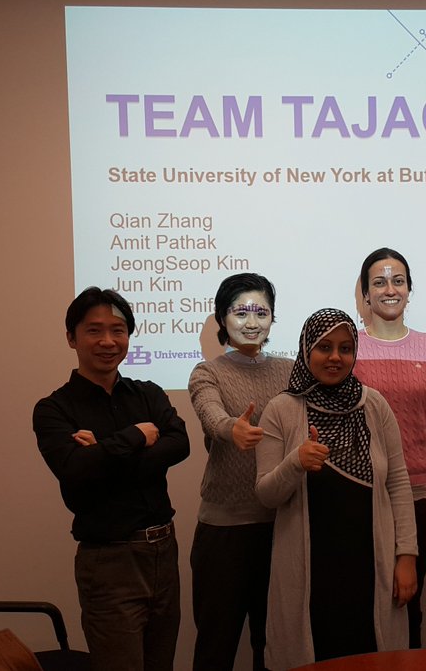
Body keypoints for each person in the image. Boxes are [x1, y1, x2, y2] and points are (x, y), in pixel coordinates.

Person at [32, 287, 191, 671]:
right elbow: (75, 471)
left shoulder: (148, 394)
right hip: (109, 560)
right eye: (94, 330)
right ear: (71, 338)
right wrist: (135, 436)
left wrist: (101, 451)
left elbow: (179, 445)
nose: (108, 341)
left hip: (163, 551)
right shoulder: (54, 409)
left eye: (118, 330)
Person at [255, 308, 418, 669]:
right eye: (324, 347)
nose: (335, 357)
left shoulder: (373, 404)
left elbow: (398, 483)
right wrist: (296, 462)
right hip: (312, 573)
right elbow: (266, 494)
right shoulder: (281, 409)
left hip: (369, 566)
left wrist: (406, 556)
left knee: (370, 656)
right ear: (306, 349)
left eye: (345, 348)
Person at [188, 273, 292, 671]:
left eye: (261, 312)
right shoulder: (207, 372)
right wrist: (231, 428)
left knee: (274, 647)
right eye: (240, 312)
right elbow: (209, 411)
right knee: (216, 647)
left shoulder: (291, 371)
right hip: (224, 532)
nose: (252, 322)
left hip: (281, 527)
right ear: (222, 317)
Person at [354, 248, 426, 648]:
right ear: (365, 294)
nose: (390, 289)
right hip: (363, 495)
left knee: (408, 600)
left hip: (419, 497)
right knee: (364, 601)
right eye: (379, 282)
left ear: (409, 289)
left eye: (398, 281)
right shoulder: (349, 348)